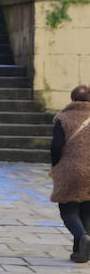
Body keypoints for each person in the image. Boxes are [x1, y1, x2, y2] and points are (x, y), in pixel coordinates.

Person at [51, 85, 90, 262]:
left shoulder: (63, 117)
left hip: (70, 170)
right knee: (86, 211)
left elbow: (56, 146)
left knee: (68, 209)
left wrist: (56, 165)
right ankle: (80, 252)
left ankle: (83, 238)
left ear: (73, 99)